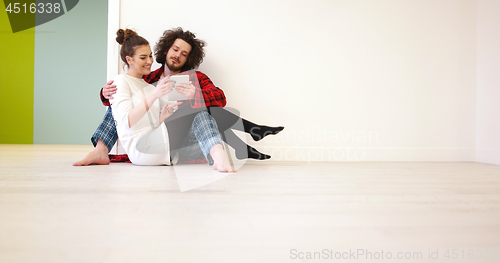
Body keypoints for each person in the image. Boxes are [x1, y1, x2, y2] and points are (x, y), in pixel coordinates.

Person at [73, 27, 283, 167]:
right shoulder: (148, 77)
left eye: (184, 54)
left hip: (185, 140)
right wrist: (105, 92)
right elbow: (125, 106)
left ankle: (242, 144)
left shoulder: (196, 77)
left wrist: (195, 95)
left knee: (201, 108)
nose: (177, 55)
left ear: (189, 58)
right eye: (175, 49)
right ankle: (101, 148)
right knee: (116, 103)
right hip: (156, 139)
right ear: (166, 50)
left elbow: (220, 98)